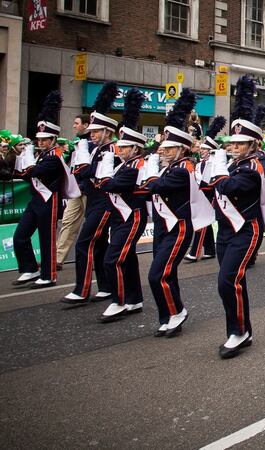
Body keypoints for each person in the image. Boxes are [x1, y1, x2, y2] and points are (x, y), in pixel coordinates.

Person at [208, 81, 265, 356]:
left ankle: (238, 332)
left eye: (241, 143)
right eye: (233, 143)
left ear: (253, 144)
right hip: (225, 228)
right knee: (231, 281)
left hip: (245, 228)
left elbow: (227, 186)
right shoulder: (233, 164)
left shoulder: (256, 165)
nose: (235, 147)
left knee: (227, 280)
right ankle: (241, 328)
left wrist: (217, 167)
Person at [141, 89, 197, 337]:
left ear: (182, 149)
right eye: (162, 148)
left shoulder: (183, 168)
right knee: (165, 273)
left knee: (157, 274)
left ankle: (177, 312)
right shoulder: (168, 167)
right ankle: (167, 315)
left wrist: (151, 170)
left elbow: (155, 186)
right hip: (164, 225)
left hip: (179, 227)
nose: (162, 151)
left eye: (168, 148)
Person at [62, 82, 120, 304]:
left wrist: (85, 164)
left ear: (107, 132)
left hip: (105, 202)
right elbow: (80, 172)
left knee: (84, 243)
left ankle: (81, 290)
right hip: (93, 199)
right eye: (92, 131)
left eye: (97, 131)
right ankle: (105, 286)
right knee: (99, 244)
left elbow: (89, 171)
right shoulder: (95, 149)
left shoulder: (113, 150)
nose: (92, 134)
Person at [95, 89, 148, 322]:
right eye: (120, 147)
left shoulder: (134, 167)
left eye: (125, 147)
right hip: (120, 218)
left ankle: (119, 301)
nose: (120, 150)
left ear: (136, 148)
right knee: (128, 258)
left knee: (112, 259)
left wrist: (105, 168)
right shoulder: (124, 165)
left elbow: (108, 185)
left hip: (132, 217)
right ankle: (134, 299)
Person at [13, 91, 69, 288]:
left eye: (45, 139)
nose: (41, 142)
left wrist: (26, 157)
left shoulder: (55, 156)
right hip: (35, 200)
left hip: (49, 201)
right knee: (20, 236)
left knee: (46, 240)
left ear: (53, 139)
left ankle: (49, 275)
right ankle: (29, 268)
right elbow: (21, 172)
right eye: (39, 139)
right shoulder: (41, 154)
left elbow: (30, 172)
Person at [186, 116, 227, 262]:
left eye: (205, 149)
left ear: (211, 150)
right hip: (201, 195)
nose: (202, 151)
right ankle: (210, 250)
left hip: (211, 195)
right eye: (201, 149)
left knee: (202, 221)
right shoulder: (199, 164)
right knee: (205, 222)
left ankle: (195, 252)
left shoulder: (215, 162)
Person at [55, 114, 91, 269]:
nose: (74, 126)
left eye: (77, 123)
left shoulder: (93, 144)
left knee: (94, 226)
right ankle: (57, 260)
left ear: (86, 125)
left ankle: (97, 257)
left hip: (90, 190)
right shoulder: (76, 144)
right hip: (77, 190)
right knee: (68, 222)